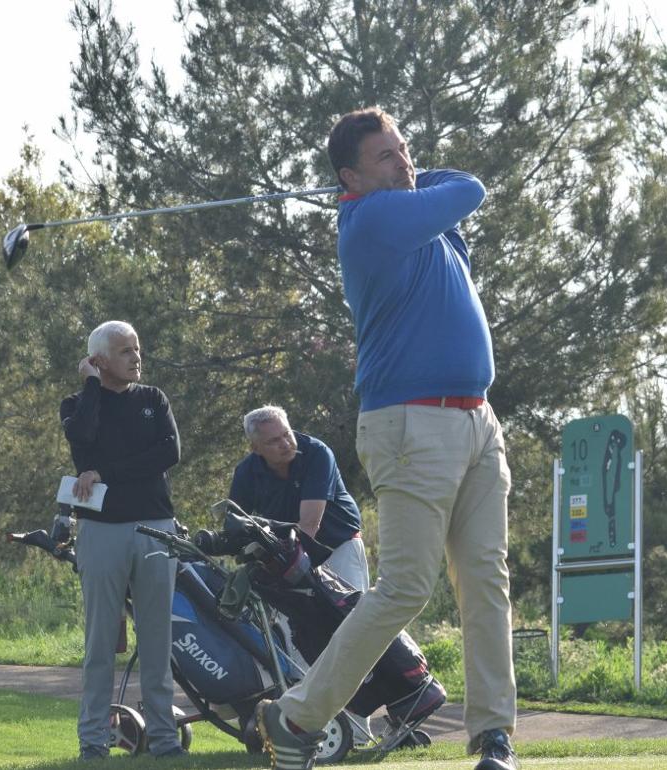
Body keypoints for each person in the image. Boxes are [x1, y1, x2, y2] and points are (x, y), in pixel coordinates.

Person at [253, 108, 518, 770]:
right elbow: (470, 189)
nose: (404, 162)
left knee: (485, 579)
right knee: (404, 586)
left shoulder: (416, 219)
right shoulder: (371, 221)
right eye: (385, 157)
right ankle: (295, 716)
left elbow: (453, 194)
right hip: (410, 422)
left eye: (406, 150)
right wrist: (408, 182)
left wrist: (403, 169)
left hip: (477, 421)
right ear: (350, 178)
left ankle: (493, 738)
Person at [60, 320, 187, 760]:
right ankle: (93, 742)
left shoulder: (154, 399)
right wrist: (92, 387)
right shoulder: (77, 405)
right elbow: (82, 442)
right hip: (101, 530)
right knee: (99, 644)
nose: (136, 357)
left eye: (137, 348)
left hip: (156, 527)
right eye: (124, 351)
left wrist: (107, 472)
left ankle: (166, 741)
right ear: (98, 362)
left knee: (157, 640)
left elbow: (167, 453)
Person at [229, 405, 369, 591]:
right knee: (290, 620)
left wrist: (285, 565)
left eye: (287, 434)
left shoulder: (317, 453)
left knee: (352, 617)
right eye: (273, 441)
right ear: (255, 448)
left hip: (338, 548)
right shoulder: (246, 472)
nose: (285, 444)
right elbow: (235, 521)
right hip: (287, 556)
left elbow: (310, 524)